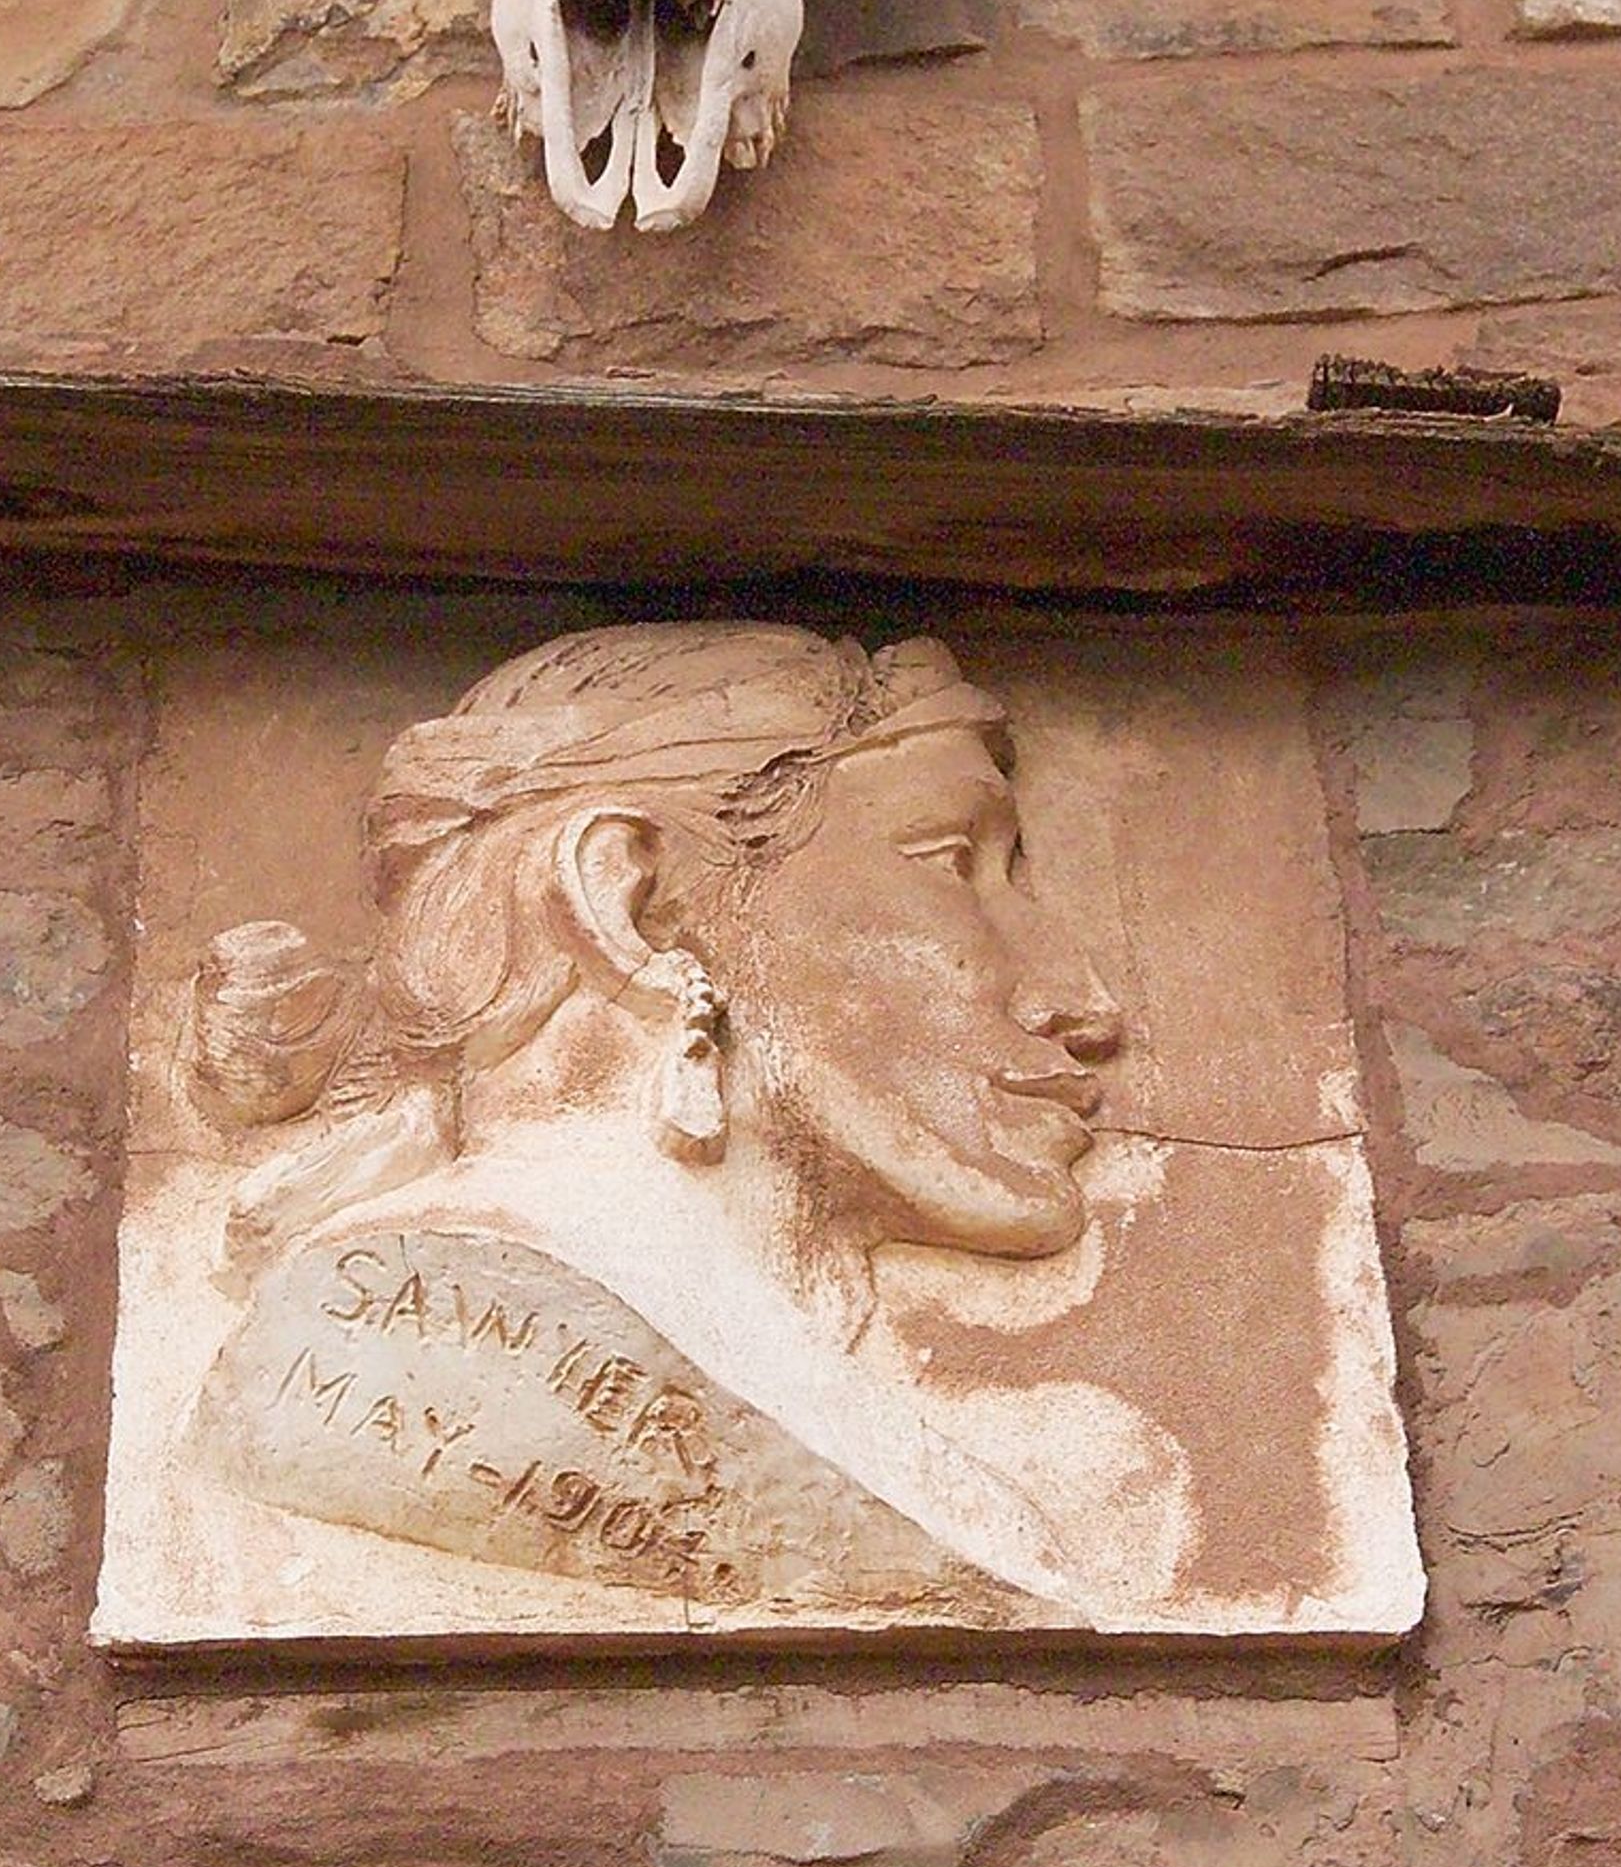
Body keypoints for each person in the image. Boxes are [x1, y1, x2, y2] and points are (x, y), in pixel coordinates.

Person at [178, 621, 1196, 1625]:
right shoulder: (408, 1340)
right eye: (947, 861)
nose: (1083, 999)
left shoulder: (875, 1424)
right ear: (632, 903)